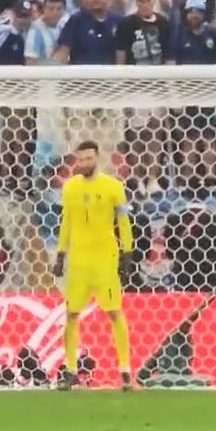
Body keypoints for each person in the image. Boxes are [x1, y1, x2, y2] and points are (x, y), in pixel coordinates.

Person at [53, 140, 135, 391]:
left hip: (104, 261)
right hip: (78, 262)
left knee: (114, 312)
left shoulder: (113, 187)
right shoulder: (70, 188)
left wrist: (127, 253)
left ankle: (125, 372)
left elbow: (123, 221)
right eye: (81, 159)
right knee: (72, 315)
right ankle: (70, 371)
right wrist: (60, 255)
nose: (85, 163)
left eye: (89, 159)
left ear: (97, 158)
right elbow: (66, 222)